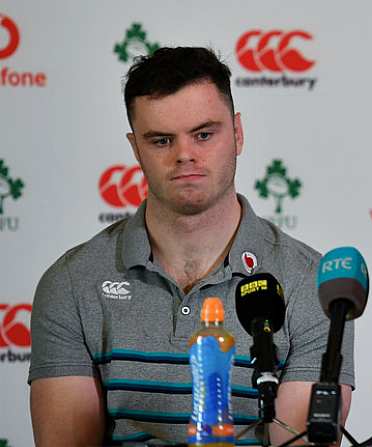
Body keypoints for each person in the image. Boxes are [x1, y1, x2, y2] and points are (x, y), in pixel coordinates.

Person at [28, 47, 354, 446]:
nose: (185, 155)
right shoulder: (73, 282)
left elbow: (302, 443)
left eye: (204, 134)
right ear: (135, 149)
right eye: (161, 140)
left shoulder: (311, 283)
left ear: (237, 133)